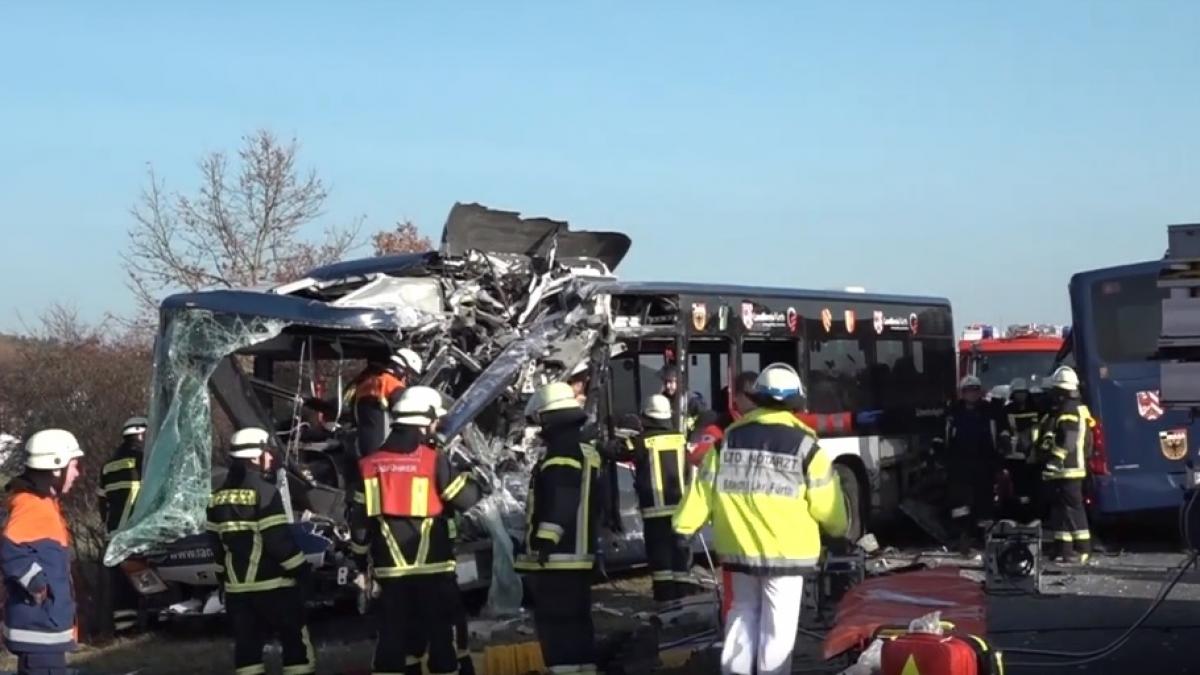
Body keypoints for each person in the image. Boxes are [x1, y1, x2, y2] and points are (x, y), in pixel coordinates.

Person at [674, 364, 847, 675]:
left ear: (758, 397)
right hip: (787, 553)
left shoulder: (726, 441)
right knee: (777, 631)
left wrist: (683, 528)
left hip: (738, 549)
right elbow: (827, 505)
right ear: (796, 401)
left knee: (741, 616)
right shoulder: (807, 447)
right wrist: (838, 530)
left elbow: (703, 489)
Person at [350, 386, 484, 675]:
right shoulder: (432, 460)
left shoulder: (368, 465)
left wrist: (361, 562)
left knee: (393, 642)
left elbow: (359, 525)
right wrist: (471, 474)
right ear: (426, 422)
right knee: (441, 642)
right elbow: (467, 499)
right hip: (434, 570)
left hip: (390, 574)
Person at [206, 428, 316, 675]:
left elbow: (215, 545)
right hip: (274, 587)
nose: (271, 458)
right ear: (255, 457)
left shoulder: (217, 497)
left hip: (238, 591)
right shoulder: (265, 493)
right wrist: (302, 570)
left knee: (247, 651)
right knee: (295, 645)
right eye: (268, 452)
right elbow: (278, 542)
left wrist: (225, 579)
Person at [514, 382, 602, 675]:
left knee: (556, 626)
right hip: (581, 555)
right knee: (578, 624)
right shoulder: (586, 452)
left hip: (558, 559)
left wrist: (544, 541)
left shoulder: (560, 455)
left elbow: (563, 499)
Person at [1, 429, 85, 675]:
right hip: (39, 631)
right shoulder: (33, 507)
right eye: (74, 466)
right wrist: (37, 583)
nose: (78, 473)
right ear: (56, 468)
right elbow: (9, 549)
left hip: (42, 629)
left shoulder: (42, 503)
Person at [622, 394, 693, 602]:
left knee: (660, 557)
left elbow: (617, 451)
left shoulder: (642, 441)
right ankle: (682, 598)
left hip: (654, 510)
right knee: (679, 554)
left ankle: (665, 600)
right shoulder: (681, 438)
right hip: (681, 508)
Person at [305, 347, 423, 457]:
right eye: (409, 374)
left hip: (363, 446)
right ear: (401, 369)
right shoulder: (393, 386)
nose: (408, 379)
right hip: (384, 452)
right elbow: (409, 419)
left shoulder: (366, 384)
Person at [1038, 366, 1093, 564]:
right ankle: (1064, 549)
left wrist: (1055, 460)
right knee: (1061, 510)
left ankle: (1082, 549)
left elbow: (1068, 439)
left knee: (1073, 509)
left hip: (1068, 468)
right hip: (1067, 469)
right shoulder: (1077, 407)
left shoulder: (1068, 409)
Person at [939, 375, 1001, 552]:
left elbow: (999, 435)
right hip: (959, 466)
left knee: (984, 504)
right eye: (968, 391)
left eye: (975, 390)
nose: (972, 394)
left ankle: (984, 539)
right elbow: (944, 436)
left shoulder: (990, 411)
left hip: (984, 465)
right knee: (960, 505)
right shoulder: (953, 412)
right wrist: (940, 456)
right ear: (962, 393)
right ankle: (961, 536)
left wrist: (998, 460)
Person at [99, 416, 148, 633]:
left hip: (114, 532)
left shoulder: (109, 465)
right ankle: (147, 622)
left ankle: (124, 628)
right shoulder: (144, 459)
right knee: (145, 576)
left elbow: (102, 500)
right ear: (141, 434)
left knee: (120, 582)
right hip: (136, 530)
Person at [687, 371, 758, 468]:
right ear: (735, 397)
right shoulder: (718, 426)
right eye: (751, 396)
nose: (756, 401)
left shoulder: (767, 426)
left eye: (759, 396)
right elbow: (697, 457)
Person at [999, 380, 1041, 523]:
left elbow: (1039, 427)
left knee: (1033, 489)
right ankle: (1017, 516)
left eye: (1023, 393)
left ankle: (1033, 515)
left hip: (1033, 455)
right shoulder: (1007, 410)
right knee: (1017, 489)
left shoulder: (1036, 408)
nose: (1020, 396)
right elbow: (1003, 428)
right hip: (1014, 456)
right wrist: (1005, 443)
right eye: (1018, 393)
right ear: (1013, 394)